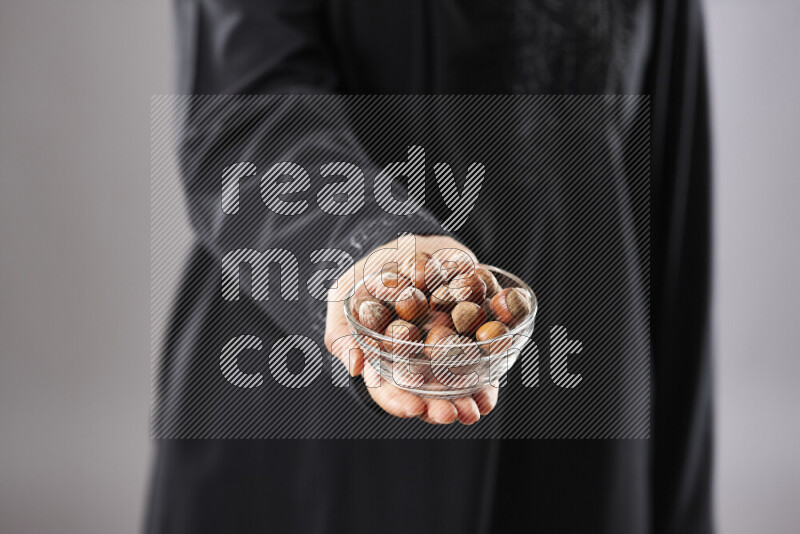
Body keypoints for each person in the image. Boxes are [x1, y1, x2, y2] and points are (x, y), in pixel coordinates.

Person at [147, 1, 713, 532]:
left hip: (580, 432)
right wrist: (370, 248)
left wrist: (681, 509)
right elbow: (243, 110)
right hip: (309, 432)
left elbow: (667, 196)